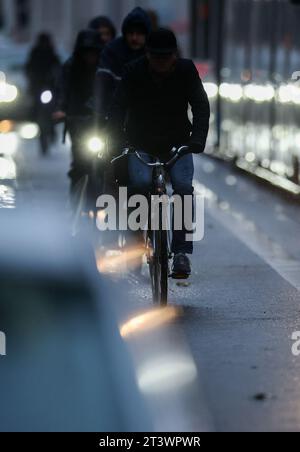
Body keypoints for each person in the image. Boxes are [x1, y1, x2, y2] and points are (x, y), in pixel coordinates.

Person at [109, 28, 210, 279]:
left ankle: (182, 252)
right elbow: (117, 108)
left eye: (167, 58)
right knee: (140, 185)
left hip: (178, 143)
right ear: (147, 55)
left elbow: (200, 105)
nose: (162, 63)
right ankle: (135, 241)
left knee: (184, 187)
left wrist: (196, 141)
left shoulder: (186, 71)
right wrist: (117, 141)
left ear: (175, 56)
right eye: (156, 58)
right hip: (140, 143)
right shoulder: (133, 72)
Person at [54, 30, 103, 191]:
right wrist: (61, 109)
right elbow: (63, 89)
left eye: (93, 52)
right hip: (76, 119)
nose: (90, 56)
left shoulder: (105, 68)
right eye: (86, 52)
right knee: (79, 161)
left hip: (100, 120)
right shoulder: (70, 67)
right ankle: (75, 197)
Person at [94, 7, 151, 119]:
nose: (134, 37)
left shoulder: (154, 52)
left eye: (139, 33)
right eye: (131, 33)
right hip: (115, 115)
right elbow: (102, 85)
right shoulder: (112, 51)